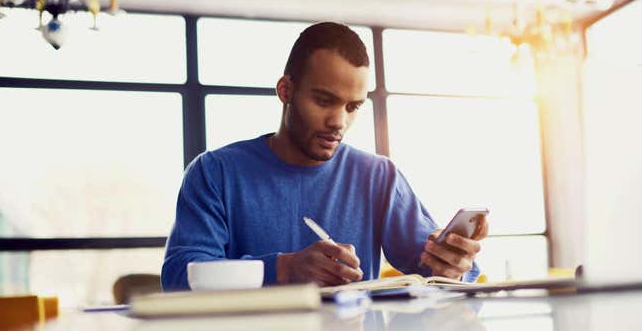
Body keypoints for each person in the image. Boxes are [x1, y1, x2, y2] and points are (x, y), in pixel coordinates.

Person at [161, 22, 488, 290]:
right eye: (324, 100)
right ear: (285, 91)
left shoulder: (378, 176)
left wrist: (453, 264)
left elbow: (433, 268)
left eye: (352, 106)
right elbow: (180, 277)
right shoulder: (215, 172)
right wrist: (284, 269)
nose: (339, 122)